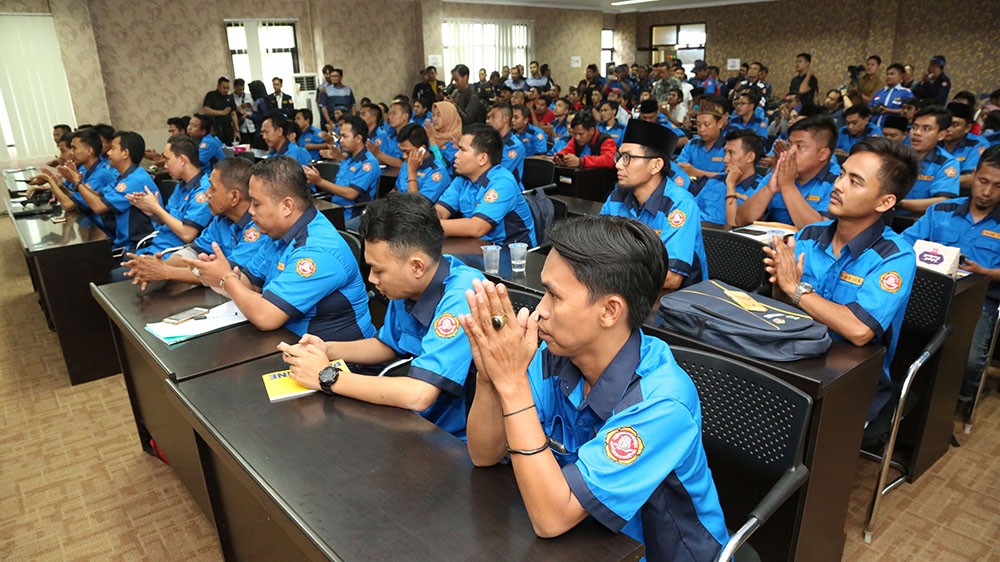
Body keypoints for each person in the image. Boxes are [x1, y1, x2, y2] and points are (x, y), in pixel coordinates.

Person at [462, 215, 728, 560]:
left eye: (554, 296)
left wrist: (512, 385)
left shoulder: (662, 400)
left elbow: (552, 518)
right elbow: (484, 455)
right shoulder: (554, 355)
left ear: (610, 311)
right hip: (585, 538)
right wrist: (490, 377)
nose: (539, 311)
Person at [278, 193, 484, 438]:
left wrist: (326, 376)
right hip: (409, 420)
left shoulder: (463, 295)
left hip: (453, 439)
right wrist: (328, 349)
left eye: (379, 270)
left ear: (417, 266)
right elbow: (387, 345)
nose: (372, 279)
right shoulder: (409, 284)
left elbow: (419, 394)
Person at [764, 137, 918, 425]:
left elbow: (859, 330)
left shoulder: (895, 256)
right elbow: (782, 301)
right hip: (794, 358)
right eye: (841, 174)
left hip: (850, 381)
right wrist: (780, 282)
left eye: (855, 182)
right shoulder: (810, 234)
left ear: (885, 202)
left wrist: (795, 289)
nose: (838, 185)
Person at [183, 156, 374, 340]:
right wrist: (216, 275)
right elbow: (250, 284)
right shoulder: (279, 233)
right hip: (289, 342)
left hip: (333, 355)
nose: (250, 211)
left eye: (256, 204)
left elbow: (266, 317)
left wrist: (226, 278)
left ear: (287, 206)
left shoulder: (317, 250)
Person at [901, 146, 1000, 404]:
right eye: (983, 181)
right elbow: (904, 244)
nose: (987, 192)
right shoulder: (942, 210)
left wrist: (984, 272)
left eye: (998, 186)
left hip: (978, 303)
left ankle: (963, 399)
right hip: (925, 293)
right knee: (896, 341)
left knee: (969, 361)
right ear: (974, 174)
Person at [121, 157, 268, 290]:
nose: (207, 193)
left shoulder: (259, 227)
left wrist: (167, 272)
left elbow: (228, 275)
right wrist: (158, 266)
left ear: (234, 196)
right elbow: (193, 252)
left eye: (213, 188)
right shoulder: (221, 219)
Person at [601, 119, 707, 289]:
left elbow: (671, 278)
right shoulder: (616, 197)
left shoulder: (681, 204)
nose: (618, 165)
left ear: (656, 165)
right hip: (626, 290)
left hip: (674, 300)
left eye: (627, 158)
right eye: (619, 156)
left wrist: (613, 264)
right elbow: (596, 248)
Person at [435, 124, 536, 246]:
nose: (456, 155)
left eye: (462, 150)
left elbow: (477, 227)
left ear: (482, 158)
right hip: (478, 245)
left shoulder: (503, 182)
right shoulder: (462, 180)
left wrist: (428, 226)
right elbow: (440, 211)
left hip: (511, 250)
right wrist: (427, 219)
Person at [736, 115, 840, 228]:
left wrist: (788, 186)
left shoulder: (838, 181)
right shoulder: (781, 171)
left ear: (823, 154)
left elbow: (820, 231)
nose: (790, 152)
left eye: (799, 146)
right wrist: (769, 189)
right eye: (789, 145)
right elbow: (740, 220)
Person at [128, 136, 213, 260]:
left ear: (182, 160)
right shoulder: (181, 186)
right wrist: (151, 212)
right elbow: (168, 219)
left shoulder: (203, 191)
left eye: (167, 159)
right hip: (155, 247)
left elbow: (187, 234)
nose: (165, 165)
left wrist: (156, 208)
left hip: (169, 255)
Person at [75, 131, 160, 253]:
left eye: (113, 149)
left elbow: (99, 207)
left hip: (139, 246)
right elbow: (100, 197)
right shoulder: (124, 177)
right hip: (123, 242)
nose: (108, 153)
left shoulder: (135, 180)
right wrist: (79, 184)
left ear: (125, 153)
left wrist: (77, 183)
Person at [304, 115, 380, 222]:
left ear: (358, 138)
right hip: (336, 209)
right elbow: (335, 188)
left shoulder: (368, 163)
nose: (341, 140)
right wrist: (317, 179)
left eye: (345, 136)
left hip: (354, 214)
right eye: (340, 136)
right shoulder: (347, 160)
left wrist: (320, 181)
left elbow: (351, 194)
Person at [696, 129, 765, 226]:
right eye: (725, 152)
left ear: (749, 157)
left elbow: (734, 225)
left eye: (731, 153)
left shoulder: (759, 190)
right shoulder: (716, 180)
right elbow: (693, 208)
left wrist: (731, 185)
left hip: (722, 234)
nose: (725, 159)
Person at [898, 105, 959, 214]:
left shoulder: (946, 162)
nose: (917, 133)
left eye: (926, 129)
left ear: (941, 135)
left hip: (919, 220)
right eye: (914, 127)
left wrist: (898, 203)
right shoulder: (896, 153)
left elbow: (943, 201)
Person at [394, 123, 452, 203]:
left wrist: (412, 172)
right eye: (402, 151)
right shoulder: (407, 162)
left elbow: (416, 206)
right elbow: (396, 191)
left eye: (407, 152)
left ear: (422, 149)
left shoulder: (438, 172)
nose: (404, 156)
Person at [942, 102, 990, 188]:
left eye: (955, 125)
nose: (948, 129)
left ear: (967, 128)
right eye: (946, 123)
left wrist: (939, 180)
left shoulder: (977, 143)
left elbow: (971, 178)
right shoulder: (935, 138)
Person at [677, 105, 727, 181]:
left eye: (706, 124)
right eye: (698, 125)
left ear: (719, 124)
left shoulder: (728, 146)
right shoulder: (692, 144)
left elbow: (731, 176)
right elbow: (679, 166)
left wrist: (697, 173)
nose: (701, 129)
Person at [485, 103, 526, 184]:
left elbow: (499, 173)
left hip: (505, 187)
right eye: (488, 118)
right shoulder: (488, 140)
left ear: (505, 119)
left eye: (493, 117)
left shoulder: (515, 146)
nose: (488, 121)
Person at [368, 100, 410, 168]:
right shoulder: (390, 136)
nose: (390, 117)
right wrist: (374, 153)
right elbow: (385, 160)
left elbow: (403, 164)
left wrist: (378, 153)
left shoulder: (411, 137)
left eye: (394, 113)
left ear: (405, 116)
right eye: (390, 113)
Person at [869, 63, 913, 128]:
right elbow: (870, 106)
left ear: (901, 76)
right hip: (873, 127)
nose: (888, 76)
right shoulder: (880, 92)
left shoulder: (906, 92)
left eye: (892, 74)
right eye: (887, 74)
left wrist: (889, 111)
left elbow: (909, 111)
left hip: (892, 129)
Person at [201, 76, 240, 145]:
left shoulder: (230, 97)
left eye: (228, 88)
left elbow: (233, 114)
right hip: (215, 128)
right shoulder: (211, 95)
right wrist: (221, 112)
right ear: (218, 86)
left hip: (228, 129)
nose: (226, 90)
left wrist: (237, 131)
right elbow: (205, 110)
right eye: (224, 88)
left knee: (230, 148)